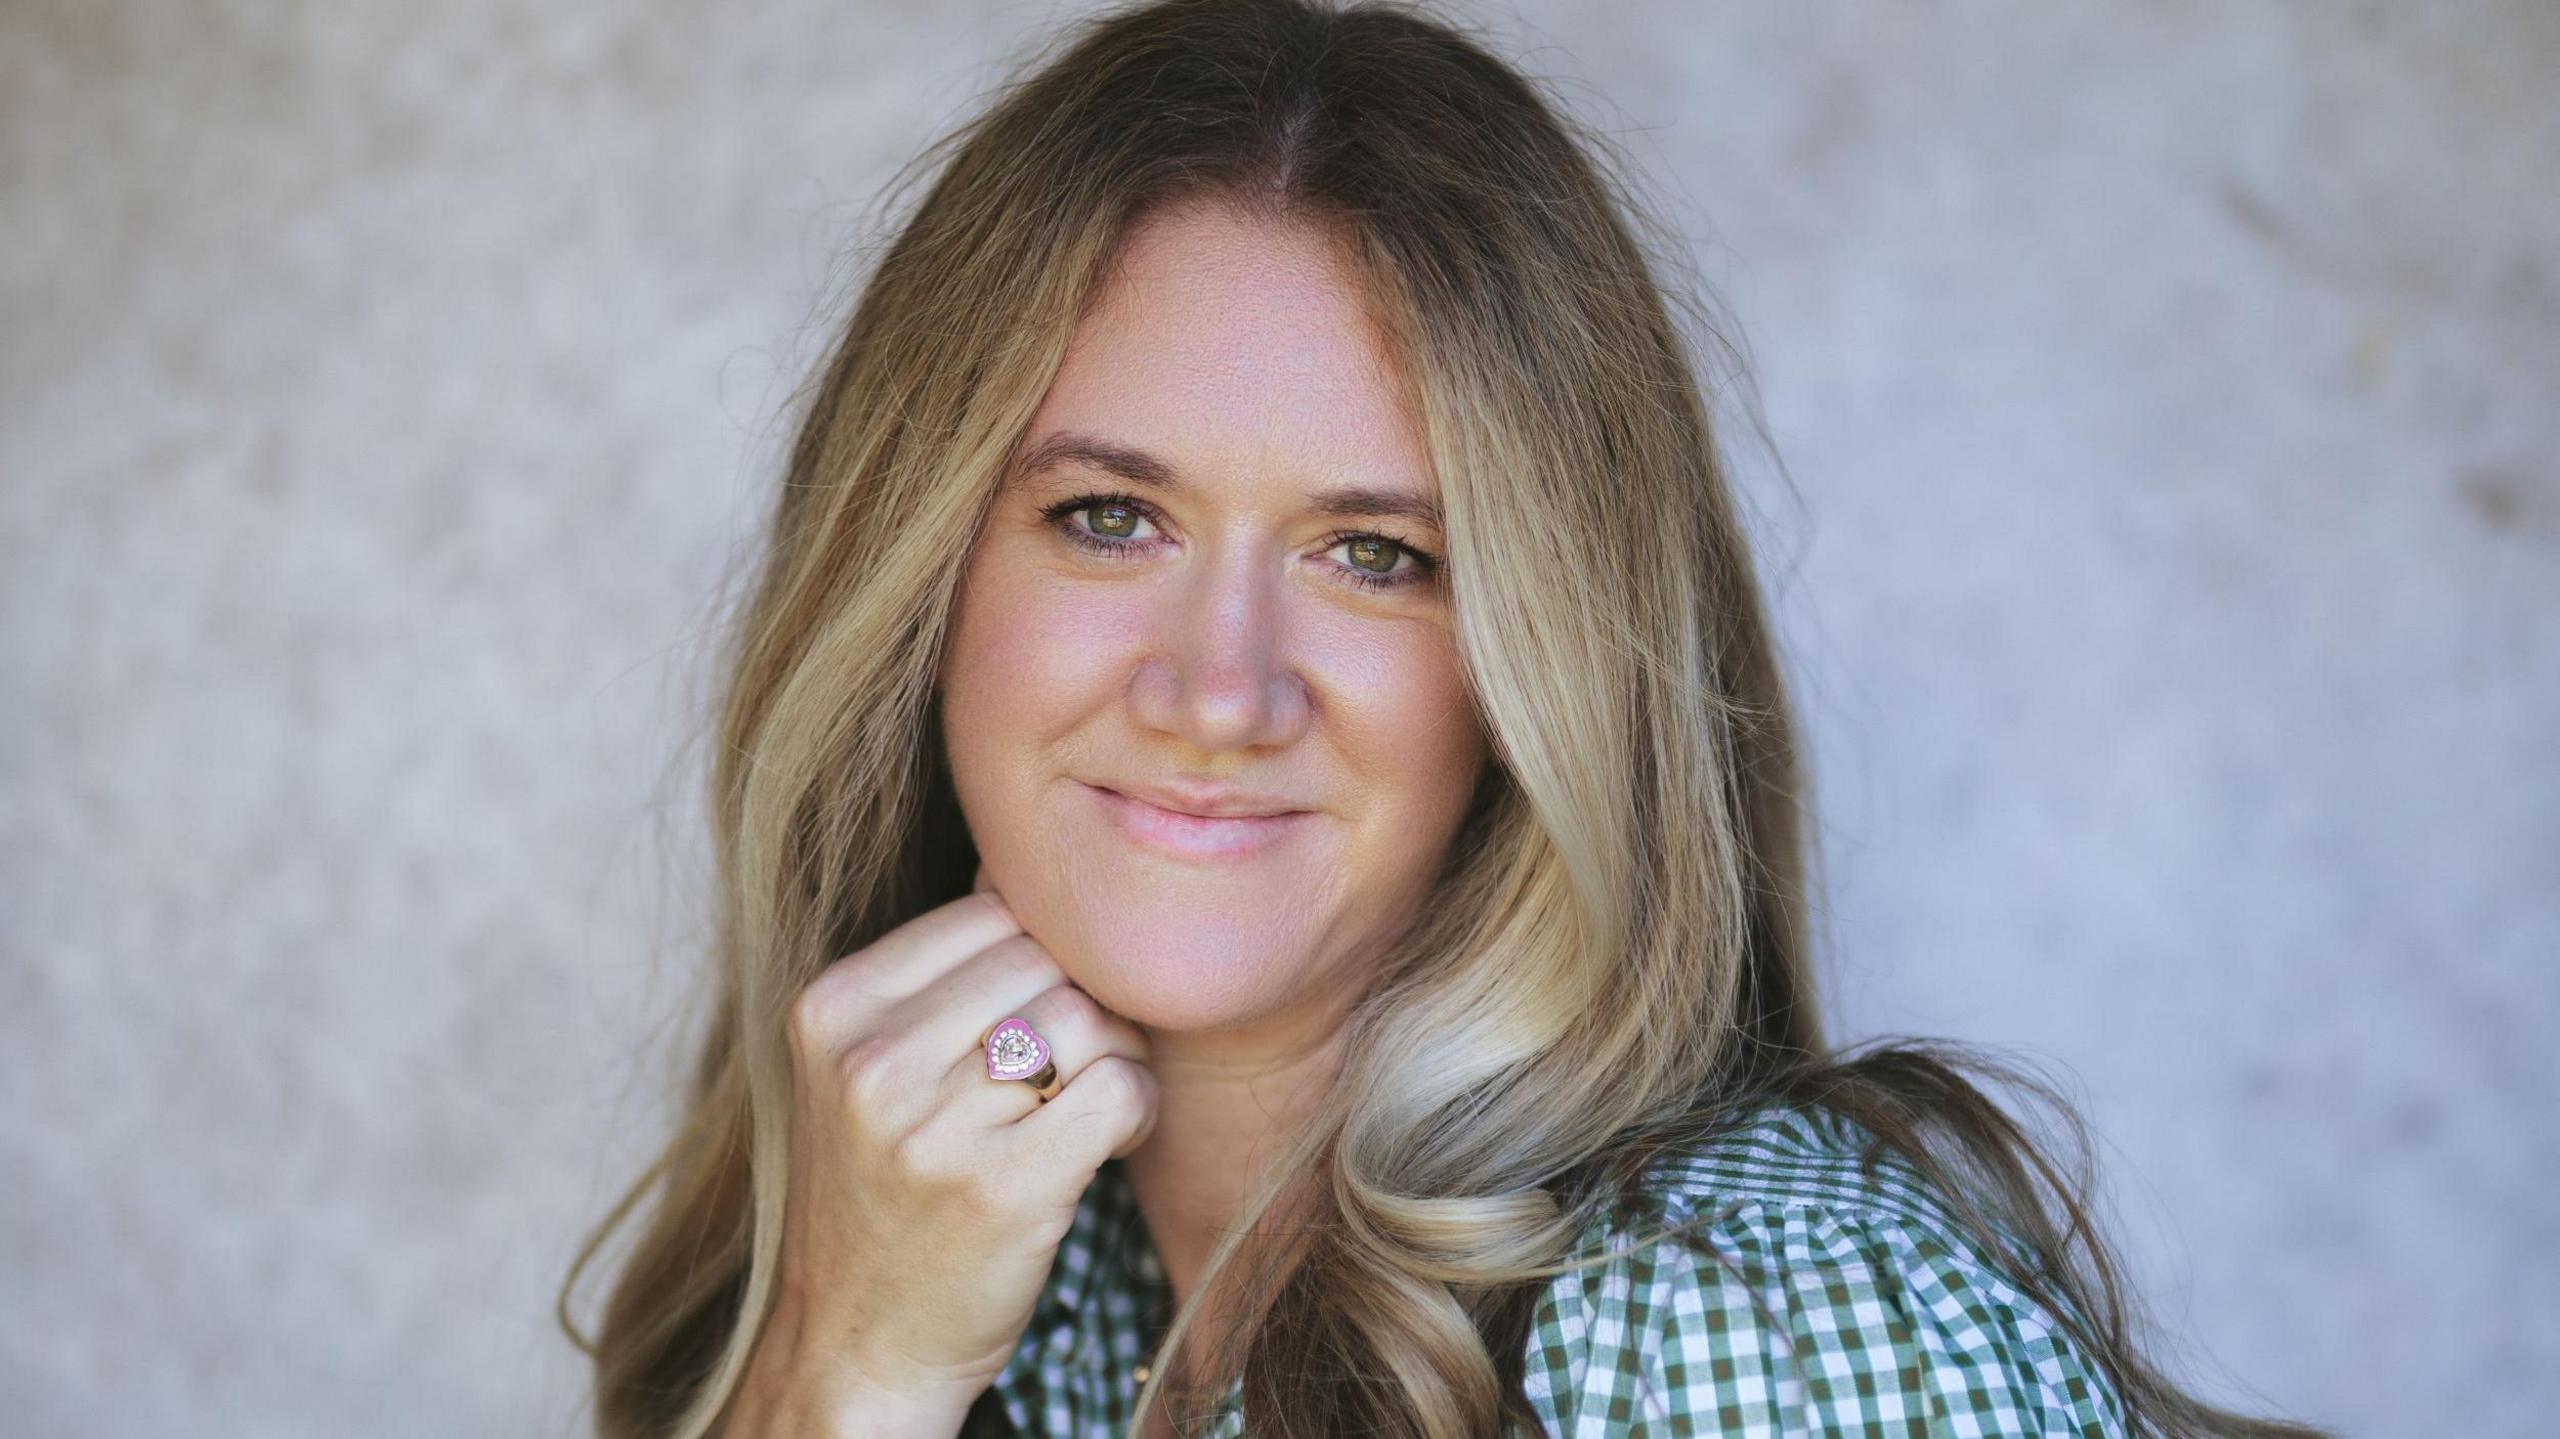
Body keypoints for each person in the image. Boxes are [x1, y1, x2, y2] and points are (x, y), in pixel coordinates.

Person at [559, 2, 2332, 1435]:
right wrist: (847, 1374)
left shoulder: (1725, 1335)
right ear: (915, 575)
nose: (1217, 690)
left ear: (1540, 663)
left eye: (1376, 553)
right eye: (1111, 517)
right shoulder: (1018, 1276)